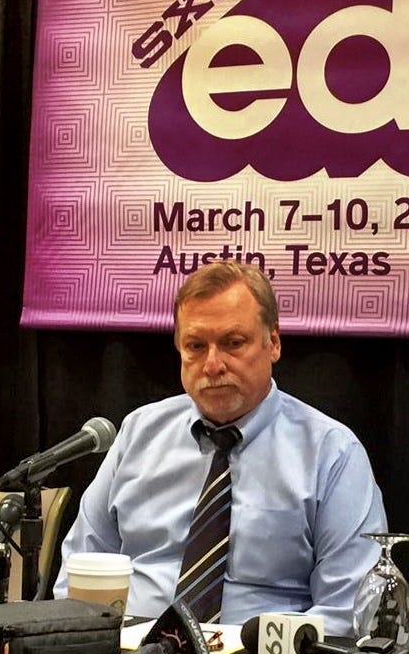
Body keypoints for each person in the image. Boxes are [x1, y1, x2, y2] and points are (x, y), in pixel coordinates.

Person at [56, 261, 387, 635]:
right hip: (131, 653)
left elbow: (349, 609)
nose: (212, 365)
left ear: (273, 343)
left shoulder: (331, 452)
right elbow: (77, 573)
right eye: (196, 346)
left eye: (233, 343)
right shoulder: (139, 433)